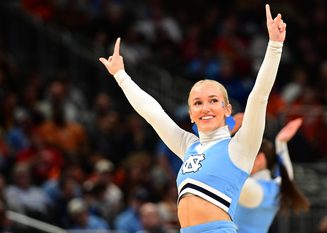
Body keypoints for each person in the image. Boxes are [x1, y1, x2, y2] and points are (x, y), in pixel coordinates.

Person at [99, 4, 286, 233]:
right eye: (197, 103)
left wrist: (274, 45)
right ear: (190, 114)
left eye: (213, 100)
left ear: (227, 109)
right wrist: (120, 75)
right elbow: (153, 114)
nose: (205, 107)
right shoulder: (189, 145)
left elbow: (259, 97)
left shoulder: (240, 147)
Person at [234, 118, 310, 233]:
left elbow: (226, 175)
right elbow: (287, 177)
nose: (239, 159)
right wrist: (281, 143)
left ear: (259, 159)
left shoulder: (255, 188)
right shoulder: (276, 187)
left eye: (244, 154)